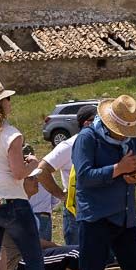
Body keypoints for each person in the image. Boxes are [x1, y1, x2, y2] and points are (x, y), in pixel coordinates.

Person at [73, 95, 136, 270]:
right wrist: (118, 169)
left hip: (126, 217)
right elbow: (84, 177)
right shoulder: (87, 138)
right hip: (96, 217)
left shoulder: (133, 139)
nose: (125, 136)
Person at [0, 80, 47, 270]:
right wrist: (33, 164)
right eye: (7, 99)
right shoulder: (12, 135)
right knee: (34, 259)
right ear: (2, 104)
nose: (10, 102)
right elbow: (18, 173)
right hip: (14, 202)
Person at [37, 104, 98, 245]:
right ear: (87, 123)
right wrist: (61, 195)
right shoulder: (69, 146)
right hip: (76, 209)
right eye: (99, 120)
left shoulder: (103, 143)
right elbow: (42, 170)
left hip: (100, 206)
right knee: (78, 256)